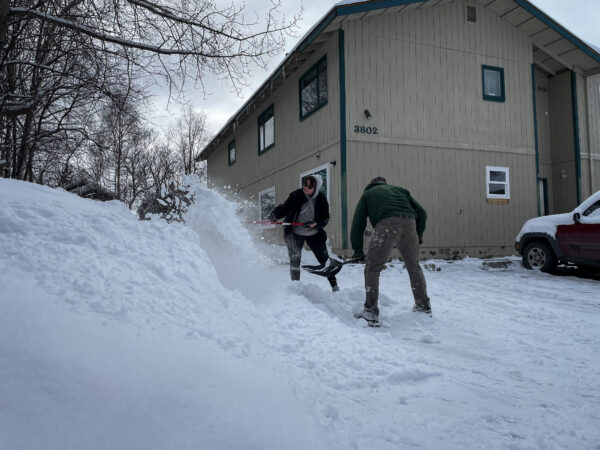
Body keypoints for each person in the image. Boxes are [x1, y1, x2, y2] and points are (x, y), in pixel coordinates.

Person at [350, 176, 431, 324]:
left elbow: (358, 223)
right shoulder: (401, 190)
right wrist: (418, 233)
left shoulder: (367, 194)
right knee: (414, 267)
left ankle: (370, 312)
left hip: (387, 224)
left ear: (370, 186)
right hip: (410, 224)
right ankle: (423, 306)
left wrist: (357, 250)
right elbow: (422, 213)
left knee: (372, 268)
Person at [269, 174, 339, 292]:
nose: (306, 188)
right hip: (295, 233)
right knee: (295, 259)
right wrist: (273, 217)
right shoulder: (297, 195)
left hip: (314, 234)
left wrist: (316, 223)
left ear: (316, 188)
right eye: (305, 185)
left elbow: (325, 218)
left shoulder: (321, 199)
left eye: (310, 186)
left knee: (325, 260)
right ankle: (296, 286)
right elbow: (285, 207)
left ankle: (334, 286)